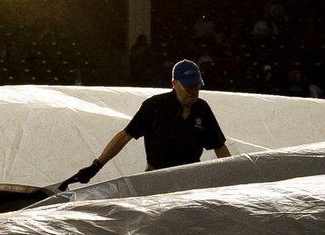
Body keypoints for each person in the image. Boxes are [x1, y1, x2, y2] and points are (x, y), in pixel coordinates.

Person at [61, 59, 230, 188]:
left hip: (190, 180)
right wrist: (96, 166)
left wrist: (234, 174)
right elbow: (125, 135)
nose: (194, 92)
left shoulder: (202, 109)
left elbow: (219, 146)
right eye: (188, 87)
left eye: (197, 87)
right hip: (156, 178)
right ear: (174, 84)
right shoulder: (155, 106)